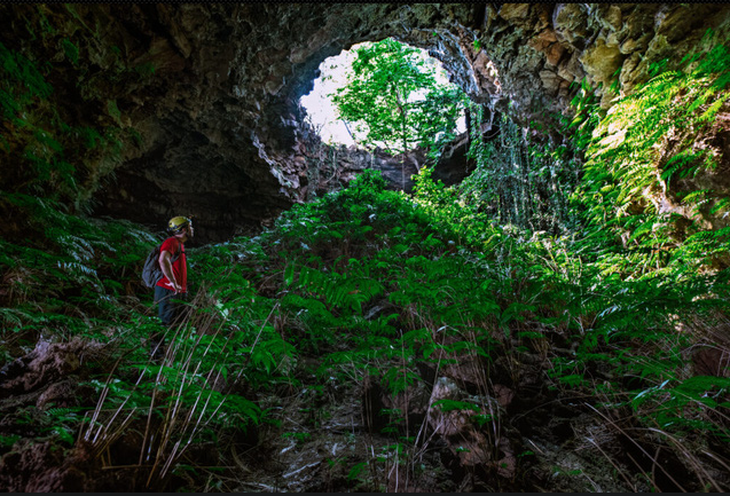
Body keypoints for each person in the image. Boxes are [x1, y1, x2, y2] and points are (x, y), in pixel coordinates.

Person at [151, 216, 193, 358]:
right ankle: (156, 358)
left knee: (179, 322)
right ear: (183, 229)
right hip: (167, 289)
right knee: (164, 322)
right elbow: (163, 259)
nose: (192, 229)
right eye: (190, 226)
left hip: (176, 291)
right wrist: (173, 282)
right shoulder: (172, 242)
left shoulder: (179, 245)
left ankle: (171, 357)